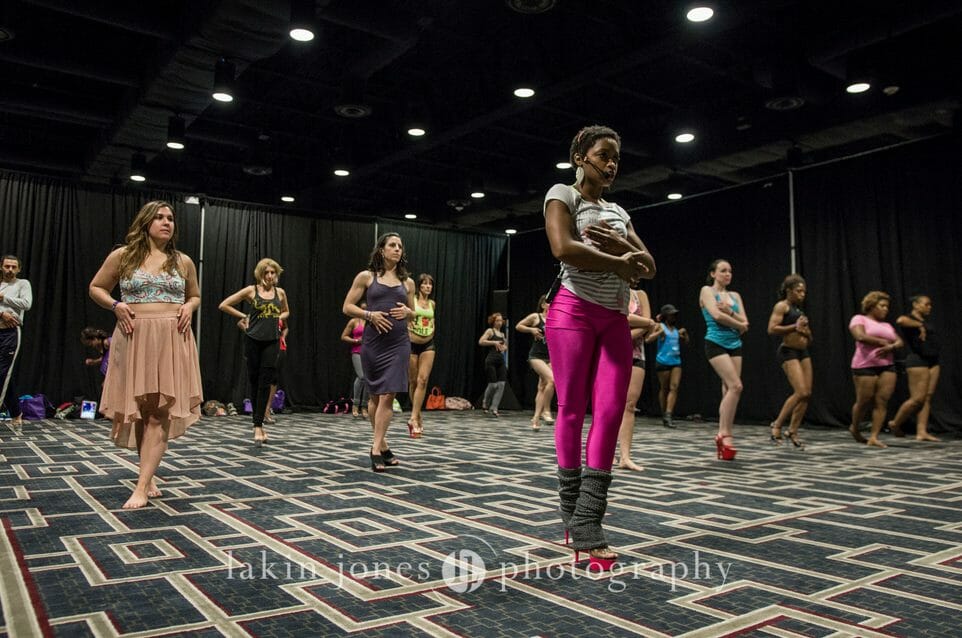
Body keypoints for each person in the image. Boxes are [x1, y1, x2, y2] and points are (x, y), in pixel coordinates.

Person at [544, 124, 655, 571]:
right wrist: (619, 260)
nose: (611, 164)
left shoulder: (619, 211)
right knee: (571, 408)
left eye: (616, 159)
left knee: (610, 412)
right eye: (603, 155)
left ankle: (588, 518)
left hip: (613, 318)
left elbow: (648, 265)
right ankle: (574, 514)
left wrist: (625, 248)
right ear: (580, 157)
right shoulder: (562, 195)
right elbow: (563, 247)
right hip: (571, 312)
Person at [88, 201, 202, 509]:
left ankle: (140, 486)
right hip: (134, 336)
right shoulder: (123, 256)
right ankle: (147, 476)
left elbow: (194, 295)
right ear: (146, 222)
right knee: (140, 409)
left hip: (171, 338)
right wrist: (116, 305)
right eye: (160, 218)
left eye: (171, 218)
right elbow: (96, 287)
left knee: (158, 412)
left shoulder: (183, 261)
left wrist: (190, 307)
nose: (167, 222)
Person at [342, 232, 415, 472]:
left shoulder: (408, 283)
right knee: (375, 396)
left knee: (389, 394)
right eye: (392, 245)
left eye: (400, 246)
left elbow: (413, 313)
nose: (397, 249)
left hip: (399, 343)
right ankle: (382, 444)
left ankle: (374, 449)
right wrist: (369, 315)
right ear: (381, 250)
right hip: (373, 343)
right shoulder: (366, 277)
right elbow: (347, 307)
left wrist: (408, 313)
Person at [219, 259, 289, 445]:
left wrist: (276, 317)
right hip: (253, 340)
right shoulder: (252, 291)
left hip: (272, 341)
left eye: (273, 273)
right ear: (260, 274)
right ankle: (256, 422)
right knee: (255, 379)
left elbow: (286, 312)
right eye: (266, 273)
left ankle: (258, 425)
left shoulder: (280, 292)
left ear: (276, 274)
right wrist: (245, 316)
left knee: (266, 382)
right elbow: (224, 305)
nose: (269, 276)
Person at [700, 259, 749, 461]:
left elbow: (746, 321)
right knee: (736, 386)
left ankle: (725, 433)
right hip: (715, 342)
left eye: (730, 271)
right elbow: (716, 316)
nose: (727, 274)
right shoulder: (707, 291)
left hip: (735, 344)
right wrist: (738, 324)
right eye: (723, 271)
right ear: (713, 273)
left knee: (729, 390)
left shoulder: (734, 295)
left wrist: (730, 312)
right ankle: (724, 434)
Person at [848, 291, 902, 448]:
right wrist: (882, 342)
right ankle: (855, 428)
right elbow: (860, 336)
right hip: (865, 365)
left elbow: (899, 342)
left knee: (882, 401)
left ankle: (874, 436)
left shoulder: (887, 325)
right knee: (863, 401)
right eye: (882, 306)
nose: (886, 309)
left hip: (887, 365)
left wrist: (891, 346)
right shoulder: (859, 318)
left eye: (887, 307)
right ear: (871, 306)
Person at [766, 274, 813, 448]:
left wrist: (807, 332)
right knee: (800, 391)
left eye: (804, 292)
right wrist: (795, 327)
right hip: (788, 352)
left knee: (807, 394)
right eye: (799, 291)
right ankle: (777, 425)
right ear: (789, 291)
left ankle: (793, 430)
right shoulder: (782, 306)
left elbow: (809, 336)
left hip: (804, 352)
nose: (802, 294)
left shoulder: (799, 311)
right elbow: (771, 329)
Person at [889, 294, 940, 441]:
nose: (929, 307)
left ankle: (921, 431)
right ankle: (895, 423)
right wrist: (919, 325)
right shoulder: (909, 319)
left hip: (933, 361)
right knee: (917, 399)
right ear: (916, 305)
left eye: (930, 304)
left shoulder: (926, 321)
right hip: (917, 360)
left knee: (927, 397)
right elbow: (900, 320)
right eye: (926, 304)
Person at [616, 287, 655, 471]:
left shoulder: (641, 294)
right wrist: (645, 323)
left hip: (637, 354)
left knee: (629, 405)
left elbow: (649, 324)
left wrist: (626, 332)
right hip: (611, 353)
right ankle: (601, 454)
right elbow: (621, 318)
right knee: (608, 406)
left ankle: (625, 457)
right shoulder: (612, 288)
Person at [0, 255, 32, 430]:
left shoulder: (22, 284)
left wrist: (3, 298)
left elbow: (26, 304)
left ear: (18, 269)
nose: (10, 270)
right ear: (1, 267)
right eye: (7, 266)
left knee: (2, 373)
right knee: (5, 377)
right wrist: (2, 313)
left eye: (13, 267)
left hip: (11, 333)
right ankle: (16, 412)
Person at [646, 304, 688, 428]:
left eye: (674, 314)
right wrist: (659, 332)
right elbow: (648, 339)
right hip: (663, 362)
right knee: (664, 388)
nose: (673, 316)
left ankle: (668, 414)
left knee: (674, 387)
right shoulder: (661, 326)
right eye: (670, 314)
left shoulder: (676, 330)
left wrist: (685, 335)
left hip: (676, 362)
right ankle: (664, 413)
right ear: (665, 316)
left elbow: (686, 342)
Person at [515, 294, 554, 430]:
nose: (551, 304)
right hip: (536, 356)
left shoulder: (556, 319)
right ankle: (546, 410)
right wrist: (531, 329)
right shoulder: (536, 317)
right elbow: (518, 326)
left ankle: (535, 419)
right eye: (549, 302)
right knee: (551, 380)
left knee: (542, 387)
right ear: (543, 305)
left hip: (551, 356)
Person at [408, 273, 437, 437]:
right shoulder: (411, 300)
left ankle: (413, 418)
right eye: (425, 284)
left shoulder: (432, 303)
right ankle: (417, 414)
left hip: (428, 344)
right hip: (411, 344)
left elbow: (433, 321)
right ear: (419, 286)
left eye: (430, 284)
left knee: (423, 380)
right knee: (413, 382)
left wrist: (432, 332)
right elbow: (406, 317)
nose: (428, 287)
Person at [341, 307, 369, 419]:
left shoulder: (371, 321)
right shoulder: (354, 321)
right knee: (362, 376)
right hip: (357, 352)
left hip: (370, 353)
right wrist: (356, 341)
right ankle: (356, 405)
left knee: (368, 378)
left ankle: (364, 406)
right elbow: (343, 336)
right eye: (362, 309)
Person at [478, 312, 508, 417]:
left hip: (500, 361)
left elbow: (505, 347)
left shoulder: (503, 334)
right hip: (491, 360)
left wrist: (504, 347)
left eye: (501, 321)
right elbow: (481, 341)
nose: (499, 323)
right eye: (497, 321)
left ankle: (494, 407)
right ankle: (486, 401)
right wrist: (493, 342)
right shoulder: (490, 331)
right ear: (493, 322)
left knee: (501, 384)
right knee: (493, 384)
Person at [264, 319, 288, 425]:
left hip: (279, 348)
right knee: (263, 378)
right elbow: (242, 322)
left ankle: (267, 409)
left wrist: (283, 337)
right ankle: (261, 410)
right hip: (264, 347)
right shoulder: (260, 308)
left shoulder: (281, 313)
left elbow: (286, 327)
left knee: (274, 379)